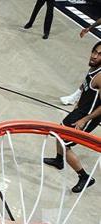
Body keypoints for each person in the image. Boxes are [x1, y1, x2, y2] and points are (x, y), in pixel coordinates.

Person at [44, 42, 101, 193]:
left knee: (64, 143)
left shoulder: (100, 76)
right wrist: (77, 103)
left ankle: (84, 177)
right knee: (59, 132)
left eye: (99, 54)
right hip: (80, 110)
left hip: (87, 117)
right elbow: (85, 88)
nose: (94, 56)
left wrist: (85, 120)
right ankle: (59, 160)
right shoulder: (93, 68)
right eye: (94, 51)